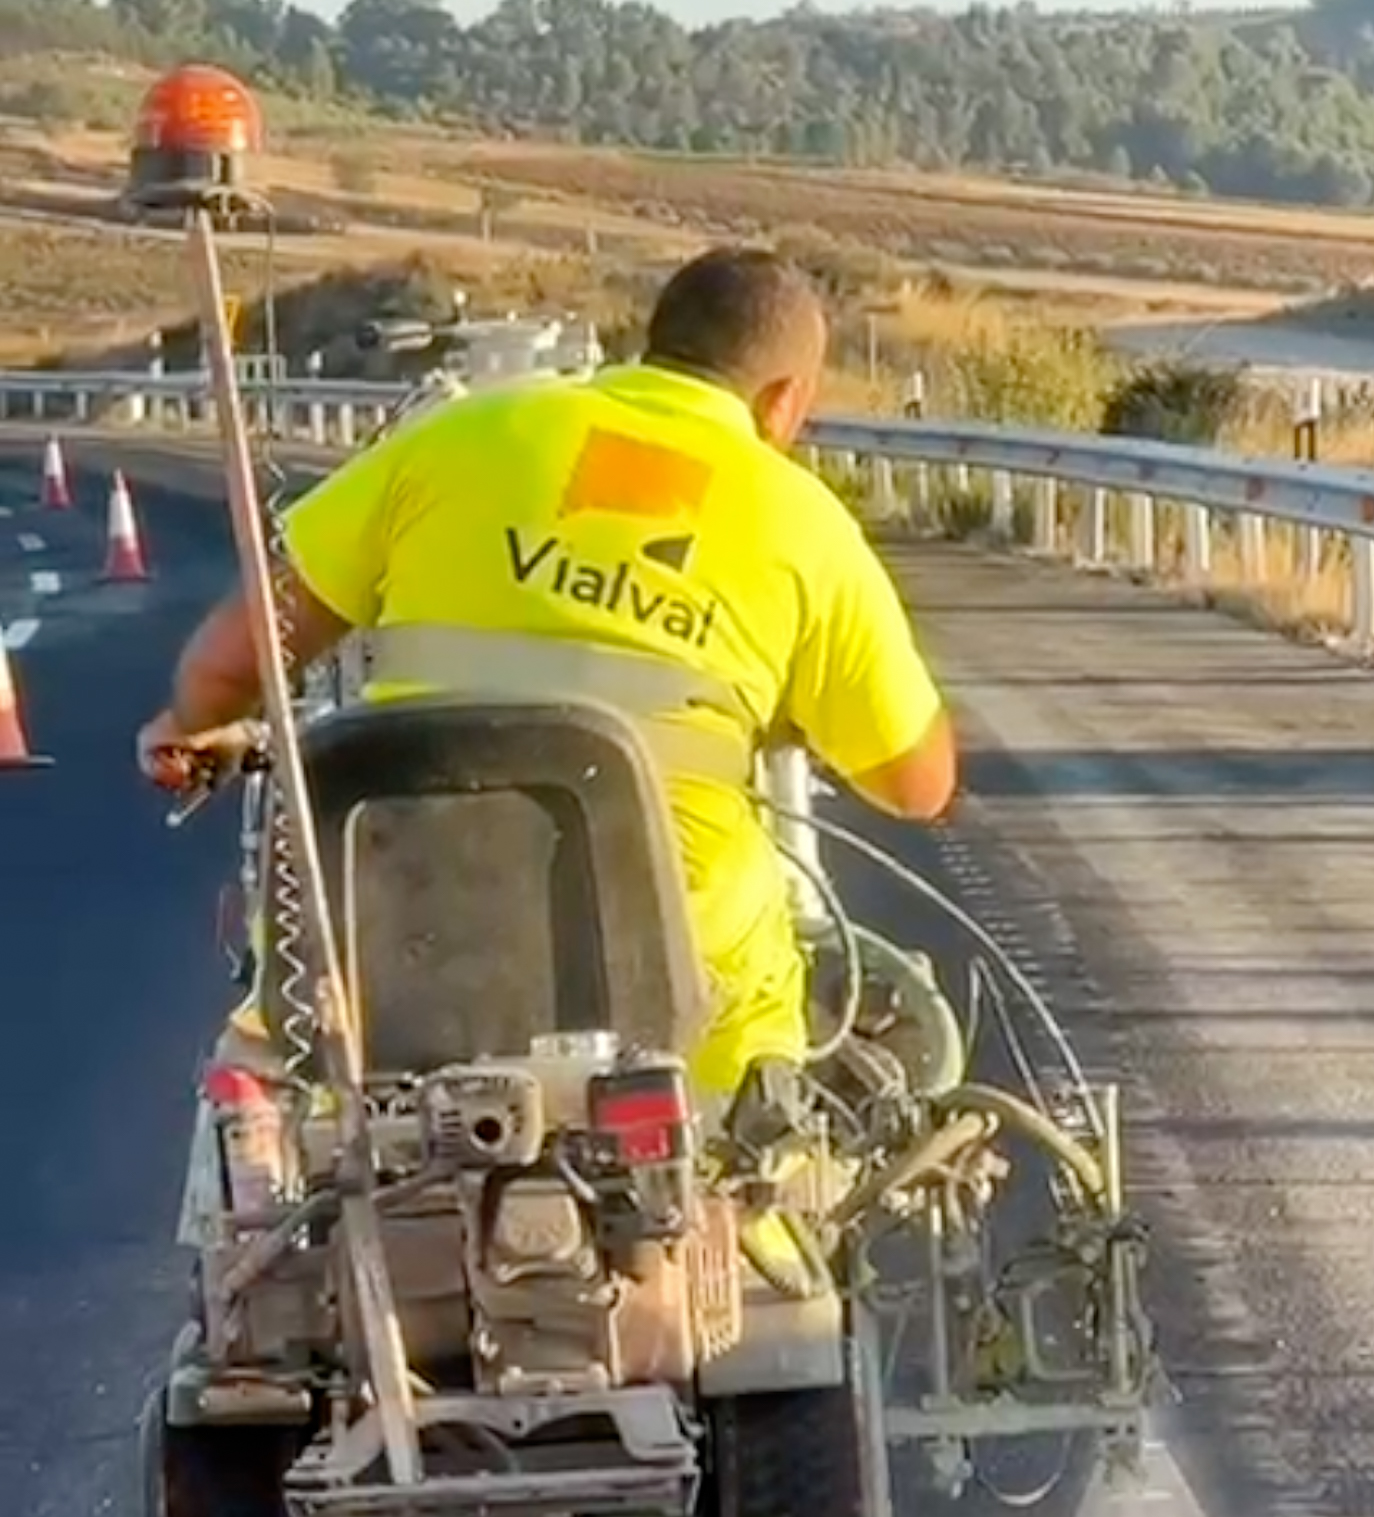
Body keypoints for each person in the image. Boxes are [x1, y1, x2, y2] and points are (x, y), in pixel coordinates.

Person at [137, 247, 957, 1107]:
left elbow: (230, 663)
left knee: (316, 1162)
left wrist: (185, 724)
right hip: (683, 1018)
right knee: (765, 1190)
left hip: (387, 972)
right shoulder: (802, 524)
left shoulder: (462, 436)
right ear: (784, 401)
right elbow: (918, 782)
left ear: (652, 346)